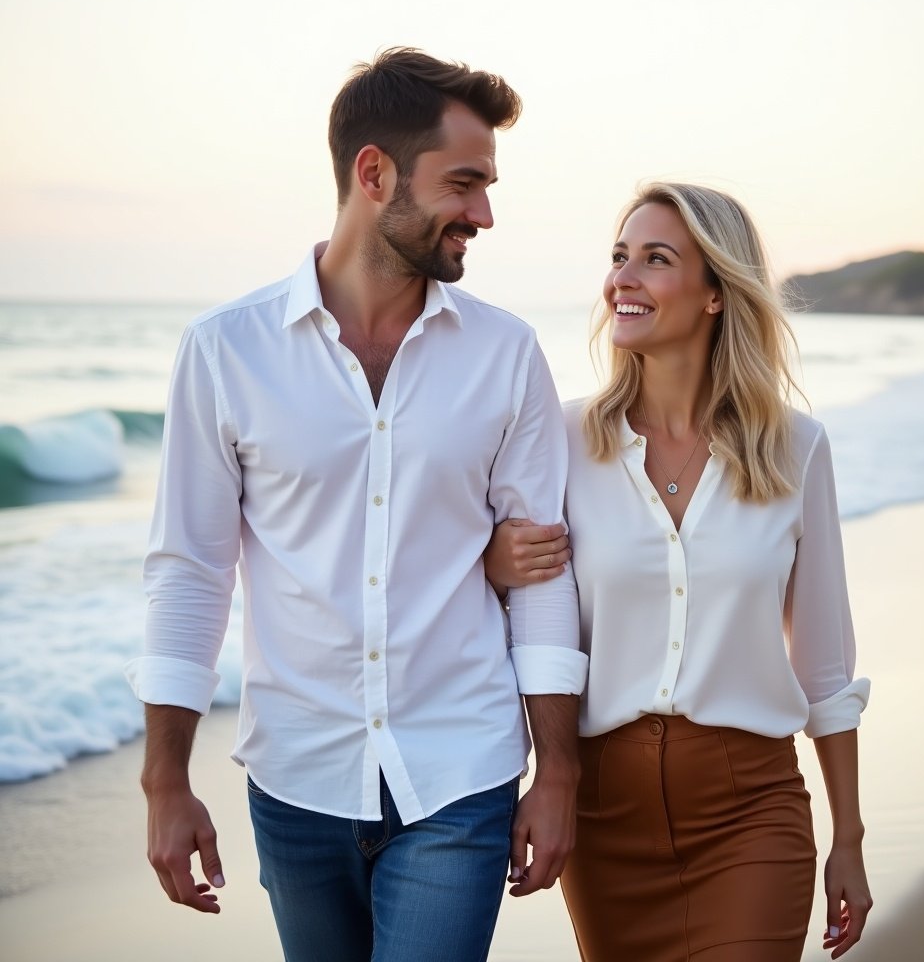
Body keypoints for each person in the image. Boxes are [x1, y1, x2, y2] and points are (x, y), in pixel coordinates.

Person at [125, 47, 587, 962]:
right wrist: (164, 783)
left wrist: (559, 773)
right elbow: (189, 570)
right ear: (373, 174)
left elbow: (541, 573)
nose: (484, 214)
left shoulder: (506, 354)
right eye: (464, 183)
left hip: (462, 770)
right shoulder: (227, 352)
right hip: (296, 777)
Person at [484, 183, 873, 961]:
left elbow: (825, 665)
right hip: (603, 817)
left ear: (715, 295)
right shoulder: (560, 440)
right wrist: (491, 563)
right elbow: (505, 608)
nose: (622, 278)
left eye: (655, 260)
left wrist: (850, 839)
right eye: (619, 257)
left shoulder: (796, 449)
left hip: (750, 811)